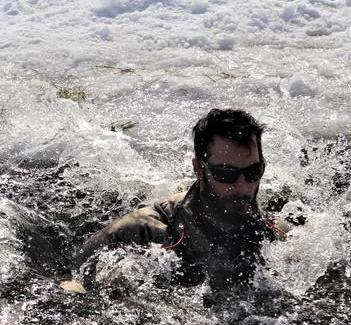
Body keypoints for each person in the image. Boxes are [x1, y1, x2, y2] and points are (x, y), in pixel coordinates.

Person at [70, 108, 289, 291]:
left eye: (253, 172)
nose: (242, 188)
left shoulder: (272, 232)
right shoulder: (145, 231)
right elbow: (73, 274)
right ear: (198, 170)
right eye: (226, 174)